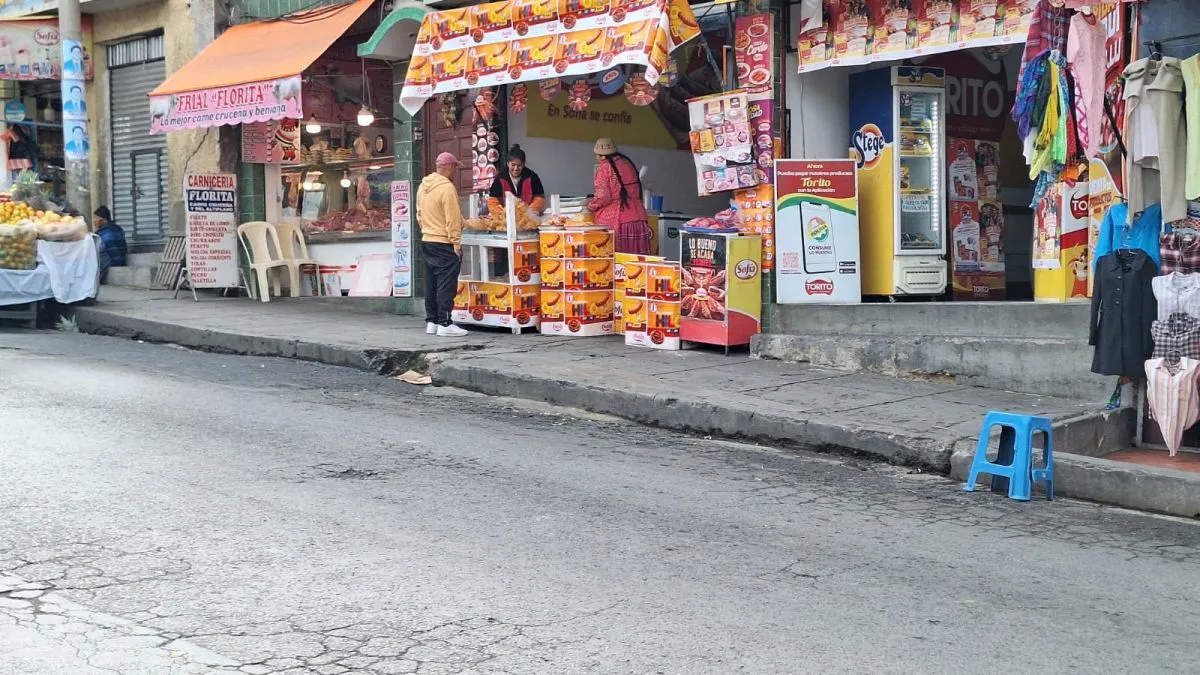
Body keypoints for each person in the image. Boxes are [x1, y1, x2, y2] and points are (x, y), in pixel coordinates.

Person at [417, 152, 468, 337]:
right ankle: (445, 323)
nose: (455, 170)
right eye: (454, 167)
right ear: (449, 167)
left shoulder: (423, 186)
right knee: (446, 284)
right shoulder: (447, 188)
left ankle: (432, 321)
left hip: (427, 239)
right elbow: (452, 219)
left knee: (431, 283)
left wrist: (427, 229)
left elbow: (419, 214)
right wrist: (456, 243)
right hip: (443, 242)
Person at [587, 138, 650, 255]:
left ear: (600, 156)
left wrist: (590, 206)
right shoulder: (627, 162)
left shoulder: (604, 167)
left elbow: (603, 197)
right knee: (637, 264)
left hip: (620, 221)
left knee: (621, 264)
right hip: (639, 221)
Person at [487, 144, 545, 215]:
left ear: (523, 164)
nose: (516, 168)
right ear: (508, 164)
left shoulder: (532, 177)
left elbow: (539, 198)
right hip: (506, 218)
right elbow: (492, 201)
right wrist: (502, 214)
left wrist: (529, 212)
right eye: (513, 165)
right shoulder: (499, 178)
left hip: (529, 217)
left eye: (519, 165)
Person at [93, 206, 127, 283]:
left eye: (96, 218)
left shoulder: (108, 233)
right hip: (117, 258)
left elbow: (109, 250)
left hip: (114, 259)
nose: (94, 221)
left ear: (103, 220)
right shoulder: (115, 229)